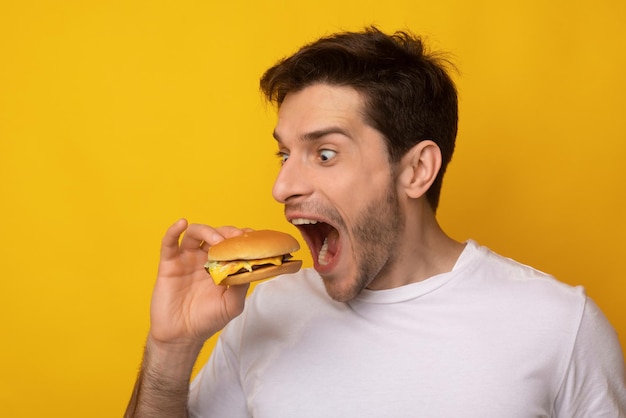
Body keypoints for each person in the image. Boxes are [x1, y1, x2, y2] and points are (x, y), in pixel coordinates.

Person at [125, 27, 626, 417]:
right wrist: (171, 348)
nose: (282, 188)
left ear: (416, 170)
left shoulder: (559, 325)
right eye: (284, 155)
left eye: (324, 154)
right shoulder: (264, 311)